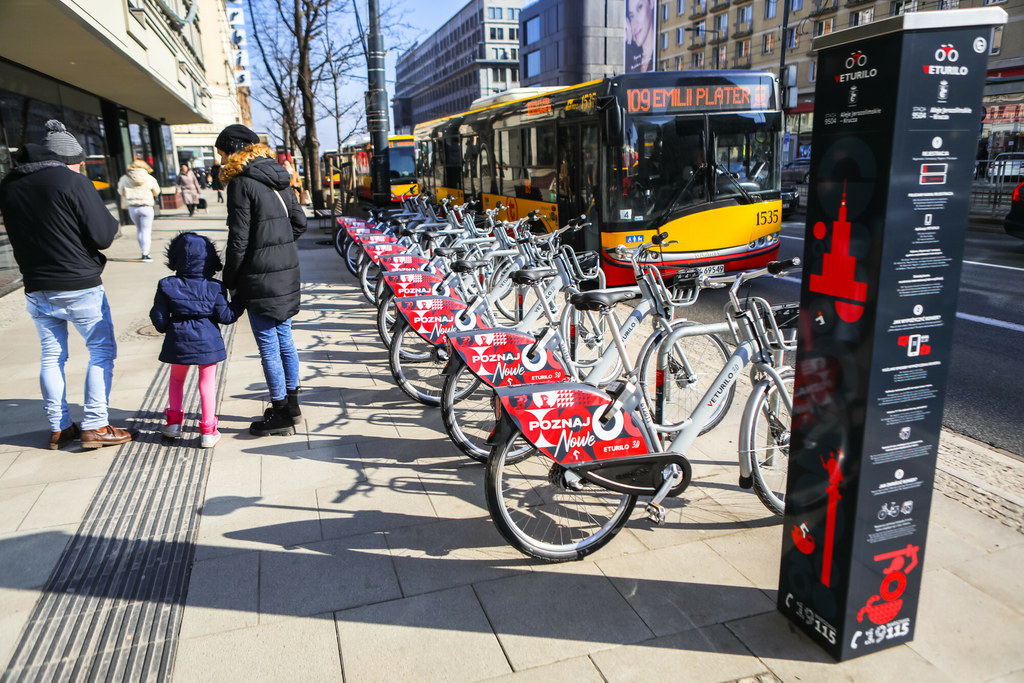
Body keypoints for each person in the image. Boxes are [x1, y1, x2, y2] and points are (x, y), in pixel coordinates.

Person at [0, 120, 134, 449]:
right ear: (66, 159)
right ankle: (95, 425)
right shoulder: (71, 182)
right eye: (79, 161)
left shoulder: (9, 185)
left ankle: (60, 426)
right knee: (101, 352)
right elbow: (103, 235)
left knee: (51, 356)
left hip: (35, 285)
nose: (81, 166)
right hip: (78, 283)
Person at [216, 124, 307, 436]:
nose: (220, 160)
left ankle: (280, 411)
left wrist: (230, 279)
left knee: (268, 344)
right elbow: (299, 222)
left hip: (259, 274)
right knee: (285, 339)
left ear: (233, 151)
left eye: (222, 153)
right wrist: (279, 244)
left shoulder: (241, 184)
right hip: (287, 268)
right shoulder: (280, 177)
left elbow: (238, 240)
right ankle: (292, 404)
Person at [150, 232, 242, 448]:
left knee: (176, 380)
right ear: (210, 259)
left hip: (178, 340)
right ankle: (208, 430)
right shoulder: (215, 287)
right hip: (207, 341)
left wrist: (164, 328)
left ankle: (173, 423)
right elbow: (226, 316)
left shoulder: (166, 284)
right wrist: (240, 302)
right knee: (207, 383)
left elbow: (159, 317)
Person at [117, 159, 161, 261]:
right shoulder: (149, 178)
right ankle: (146, 253)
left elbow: (120, 191)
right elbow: (156, 191)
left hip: (133, 207)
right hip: (146, 207)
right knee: (146, 231)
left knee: (139, 230)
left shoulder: (124, 178)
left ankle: (143, 251)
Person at [625, 0, 654, 73]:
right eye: (632, 16)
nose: (635, 24)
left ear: (651, 3)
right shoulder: (634, 60)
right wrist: (629, 44)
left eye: (640, 7)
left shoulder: (655, 57)